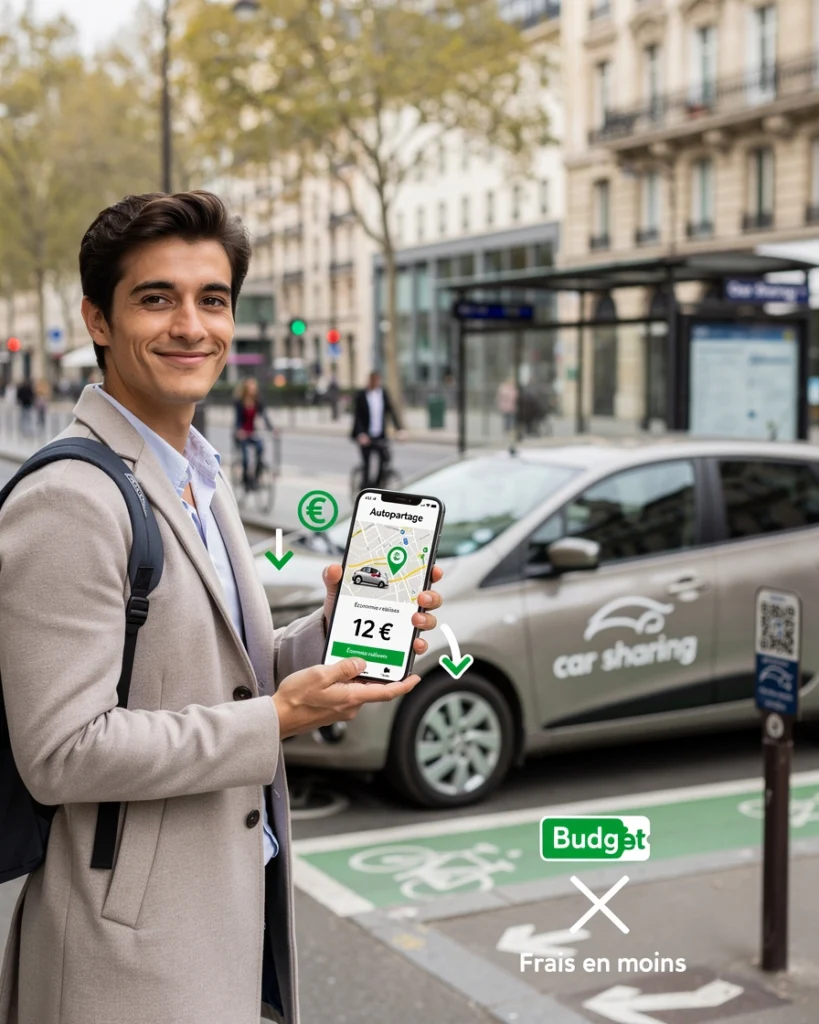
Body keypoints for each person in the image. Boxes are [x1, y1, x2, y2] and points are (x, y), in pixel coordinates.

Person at [0, 191, 444, 1024]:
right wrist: (273, 721)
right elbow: (60, 752)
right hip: (123, 956)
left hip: (226, 913)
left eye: (213, 300)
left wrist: (326, 637)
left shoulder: (197, 474)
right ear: (98, 319)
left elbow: (207, 675)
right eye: (156, 298)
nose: (191, 326)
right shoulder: (70, 498)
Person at [351, 369, 405, 487]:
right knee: (368, 465)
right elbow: (358, 416)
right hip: (366, 436)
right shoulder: (362, 395)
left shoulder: (383, 393)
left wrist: (399, 429)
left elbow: (391, 411)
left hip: (380, 435)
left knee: (385, 460)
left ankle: (378, 486)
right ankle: (364, 490)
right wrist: (361, 434)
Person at [234, 376, 274, 488]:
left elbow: (264, 416)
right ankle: (246, 480)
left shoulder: (257, 401)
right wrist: (239, 431)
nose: (253, 389)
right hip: (242, 433)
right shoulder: (240, 402)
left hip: (253, 433)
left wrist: (272, 429)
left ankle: (256, 478)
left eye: (254, 387)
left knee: (260, 450)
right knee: (246, 458)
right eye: (251, 387)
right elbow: (237, 419)